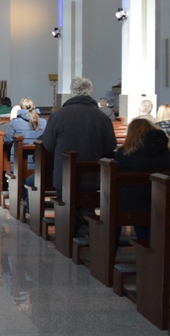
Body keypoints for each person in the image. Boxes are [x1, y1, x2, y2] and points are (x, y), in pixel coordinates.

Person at [38, 77, 117, 235]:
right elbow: (110, 146)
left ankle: (69, 236)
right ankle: (87, 232)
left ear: (72, 92)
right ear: (90, 92)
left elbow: (48, 145)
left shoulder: (59, 115)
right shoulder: (102, 117)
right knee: (87, 207)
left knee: (66, 209)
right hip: (92, 176)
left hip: (64, 174)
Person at [114, 117, 170, 243]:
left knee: (113, 208)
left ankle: (112, 247)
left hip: (134, 201)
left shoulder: (125, 152)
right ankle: (150, 243)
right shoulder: (168, 151)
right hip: (163, 198)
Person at [3, 97, 46, 170]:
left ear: (21, 108)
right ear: (34, 107)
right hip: (38, 163)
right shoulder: (43, 122)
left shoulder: (15, 122)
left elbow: (7, 140)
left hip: (19, 164)